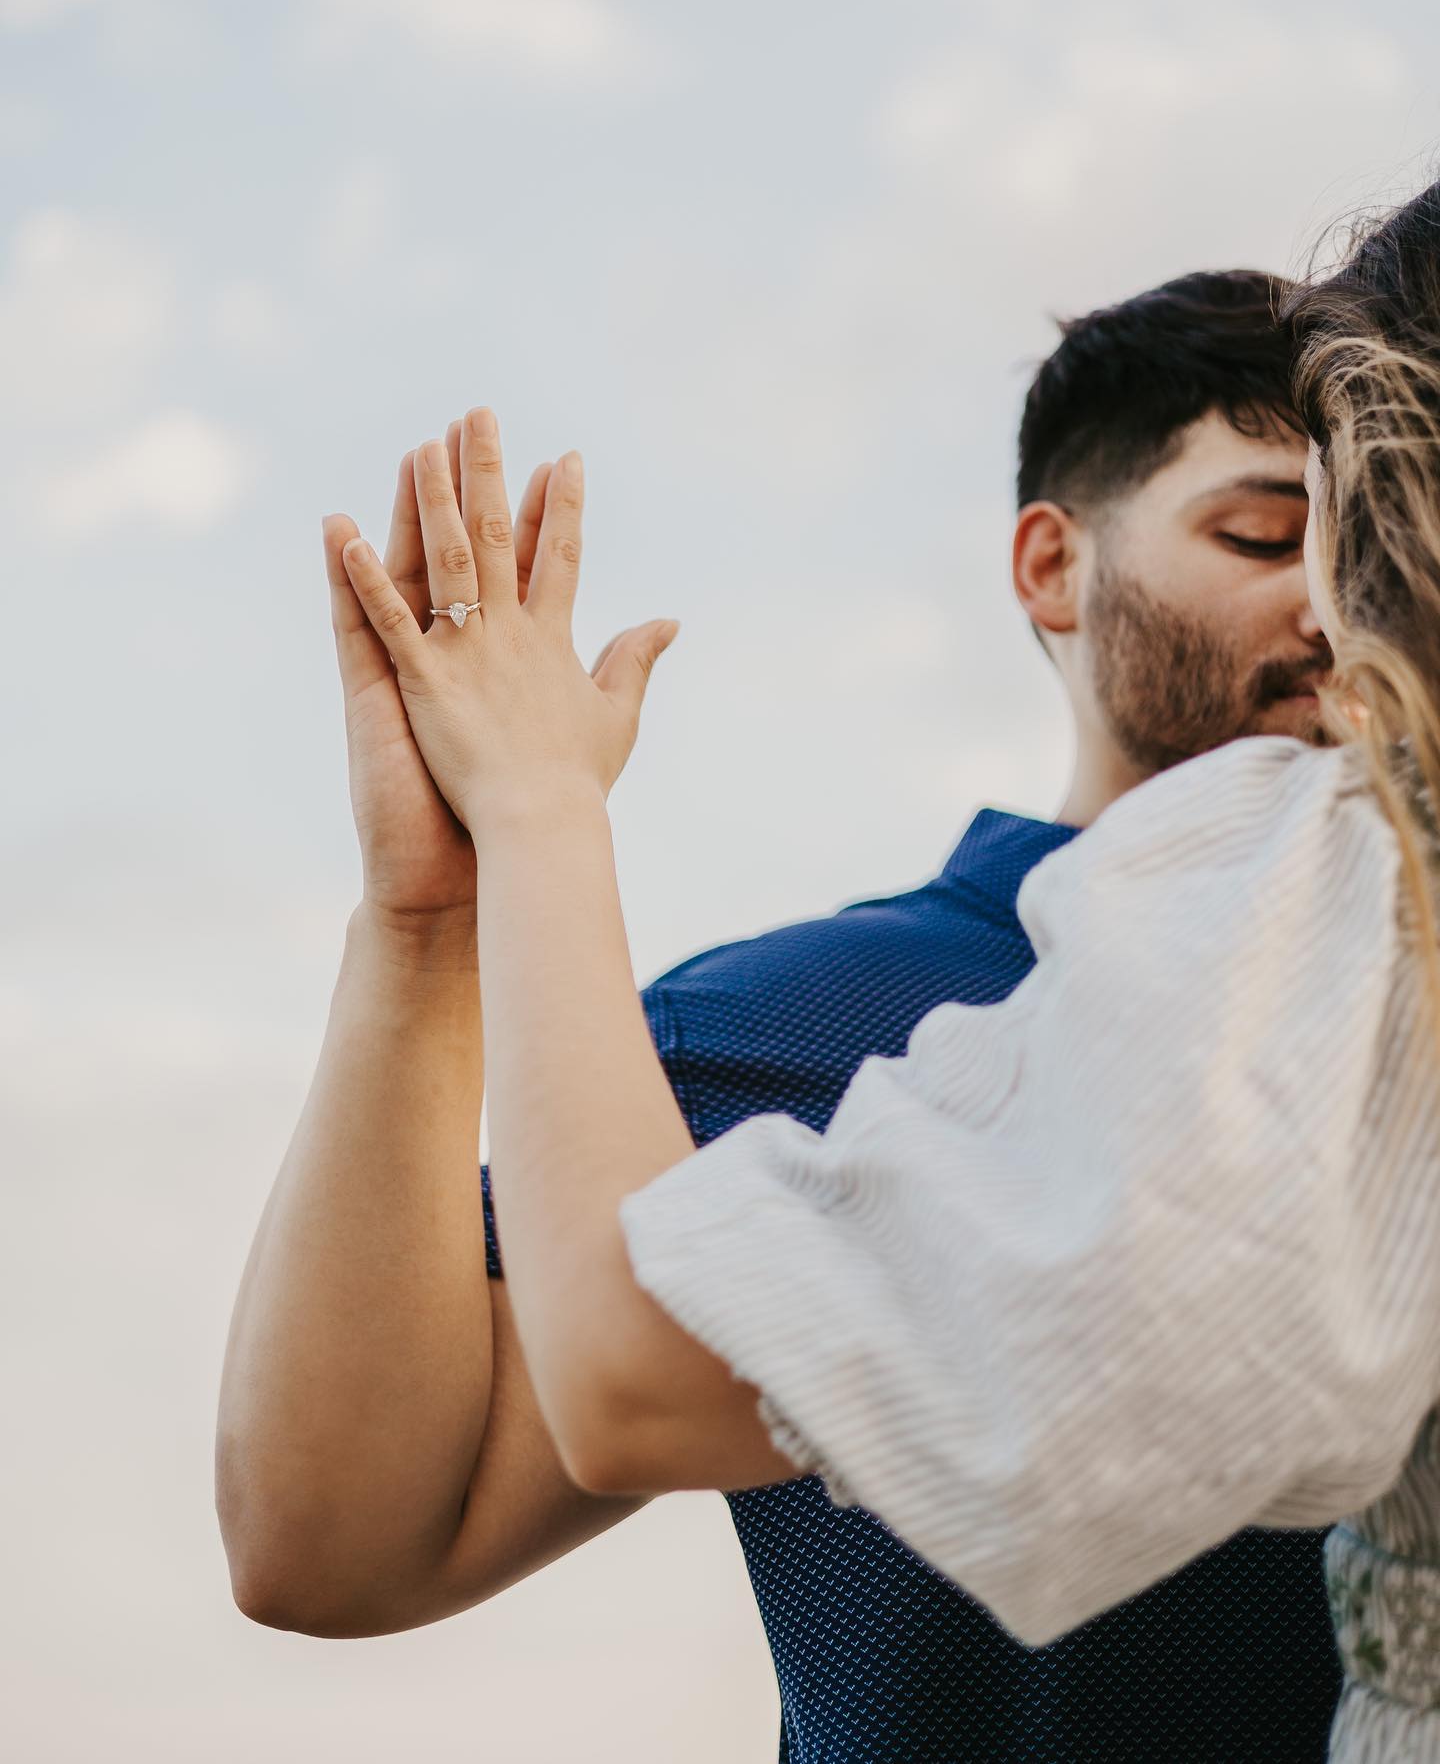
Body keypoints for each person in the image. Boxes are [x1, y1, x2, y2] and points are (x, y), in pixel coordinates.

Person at [218, 275, 1344, 1759]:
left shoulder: (1395, 999)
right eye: (1259, 535)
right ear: (1051, 569)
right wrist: (427, 928)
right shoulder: (779, 1028)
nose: (1333, 606)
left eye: (1379, 550)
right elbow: (335, 1546)